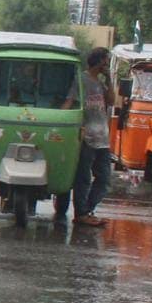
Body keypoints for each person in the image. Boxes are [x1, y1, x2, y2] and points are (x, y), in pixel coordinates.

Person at [65, 46, 113, 227]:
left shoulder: (100, 83)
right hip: (86, 138)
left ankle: (88, 209)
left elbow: (111, 100)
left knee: (104, 179)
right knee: (83, 178)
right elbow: (70, 102)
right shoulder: (81, 80)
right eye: (106, 60)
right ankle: (82, 213)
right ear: (100, 61)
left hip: (103, 139)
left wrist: (109, 78)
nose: (107, 64)